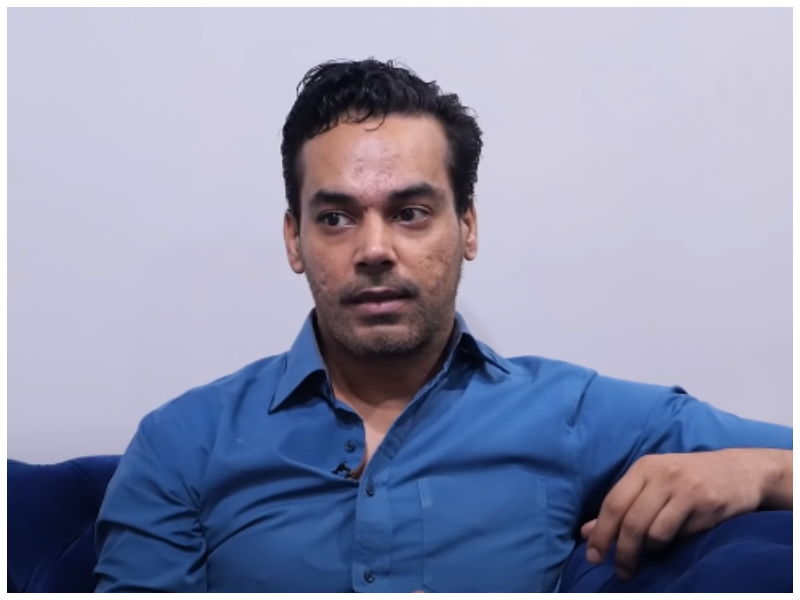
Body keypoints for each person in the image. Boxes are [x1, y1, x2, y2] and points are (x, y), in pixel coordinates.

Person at [94, 59, 792, 593]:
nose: (374, 249)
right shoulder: (183, 442)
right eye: (335, 217)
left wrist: (759, 472)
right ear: (294, 240)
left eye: (410, 213)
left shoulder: (571, 412)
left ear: (467, 228)